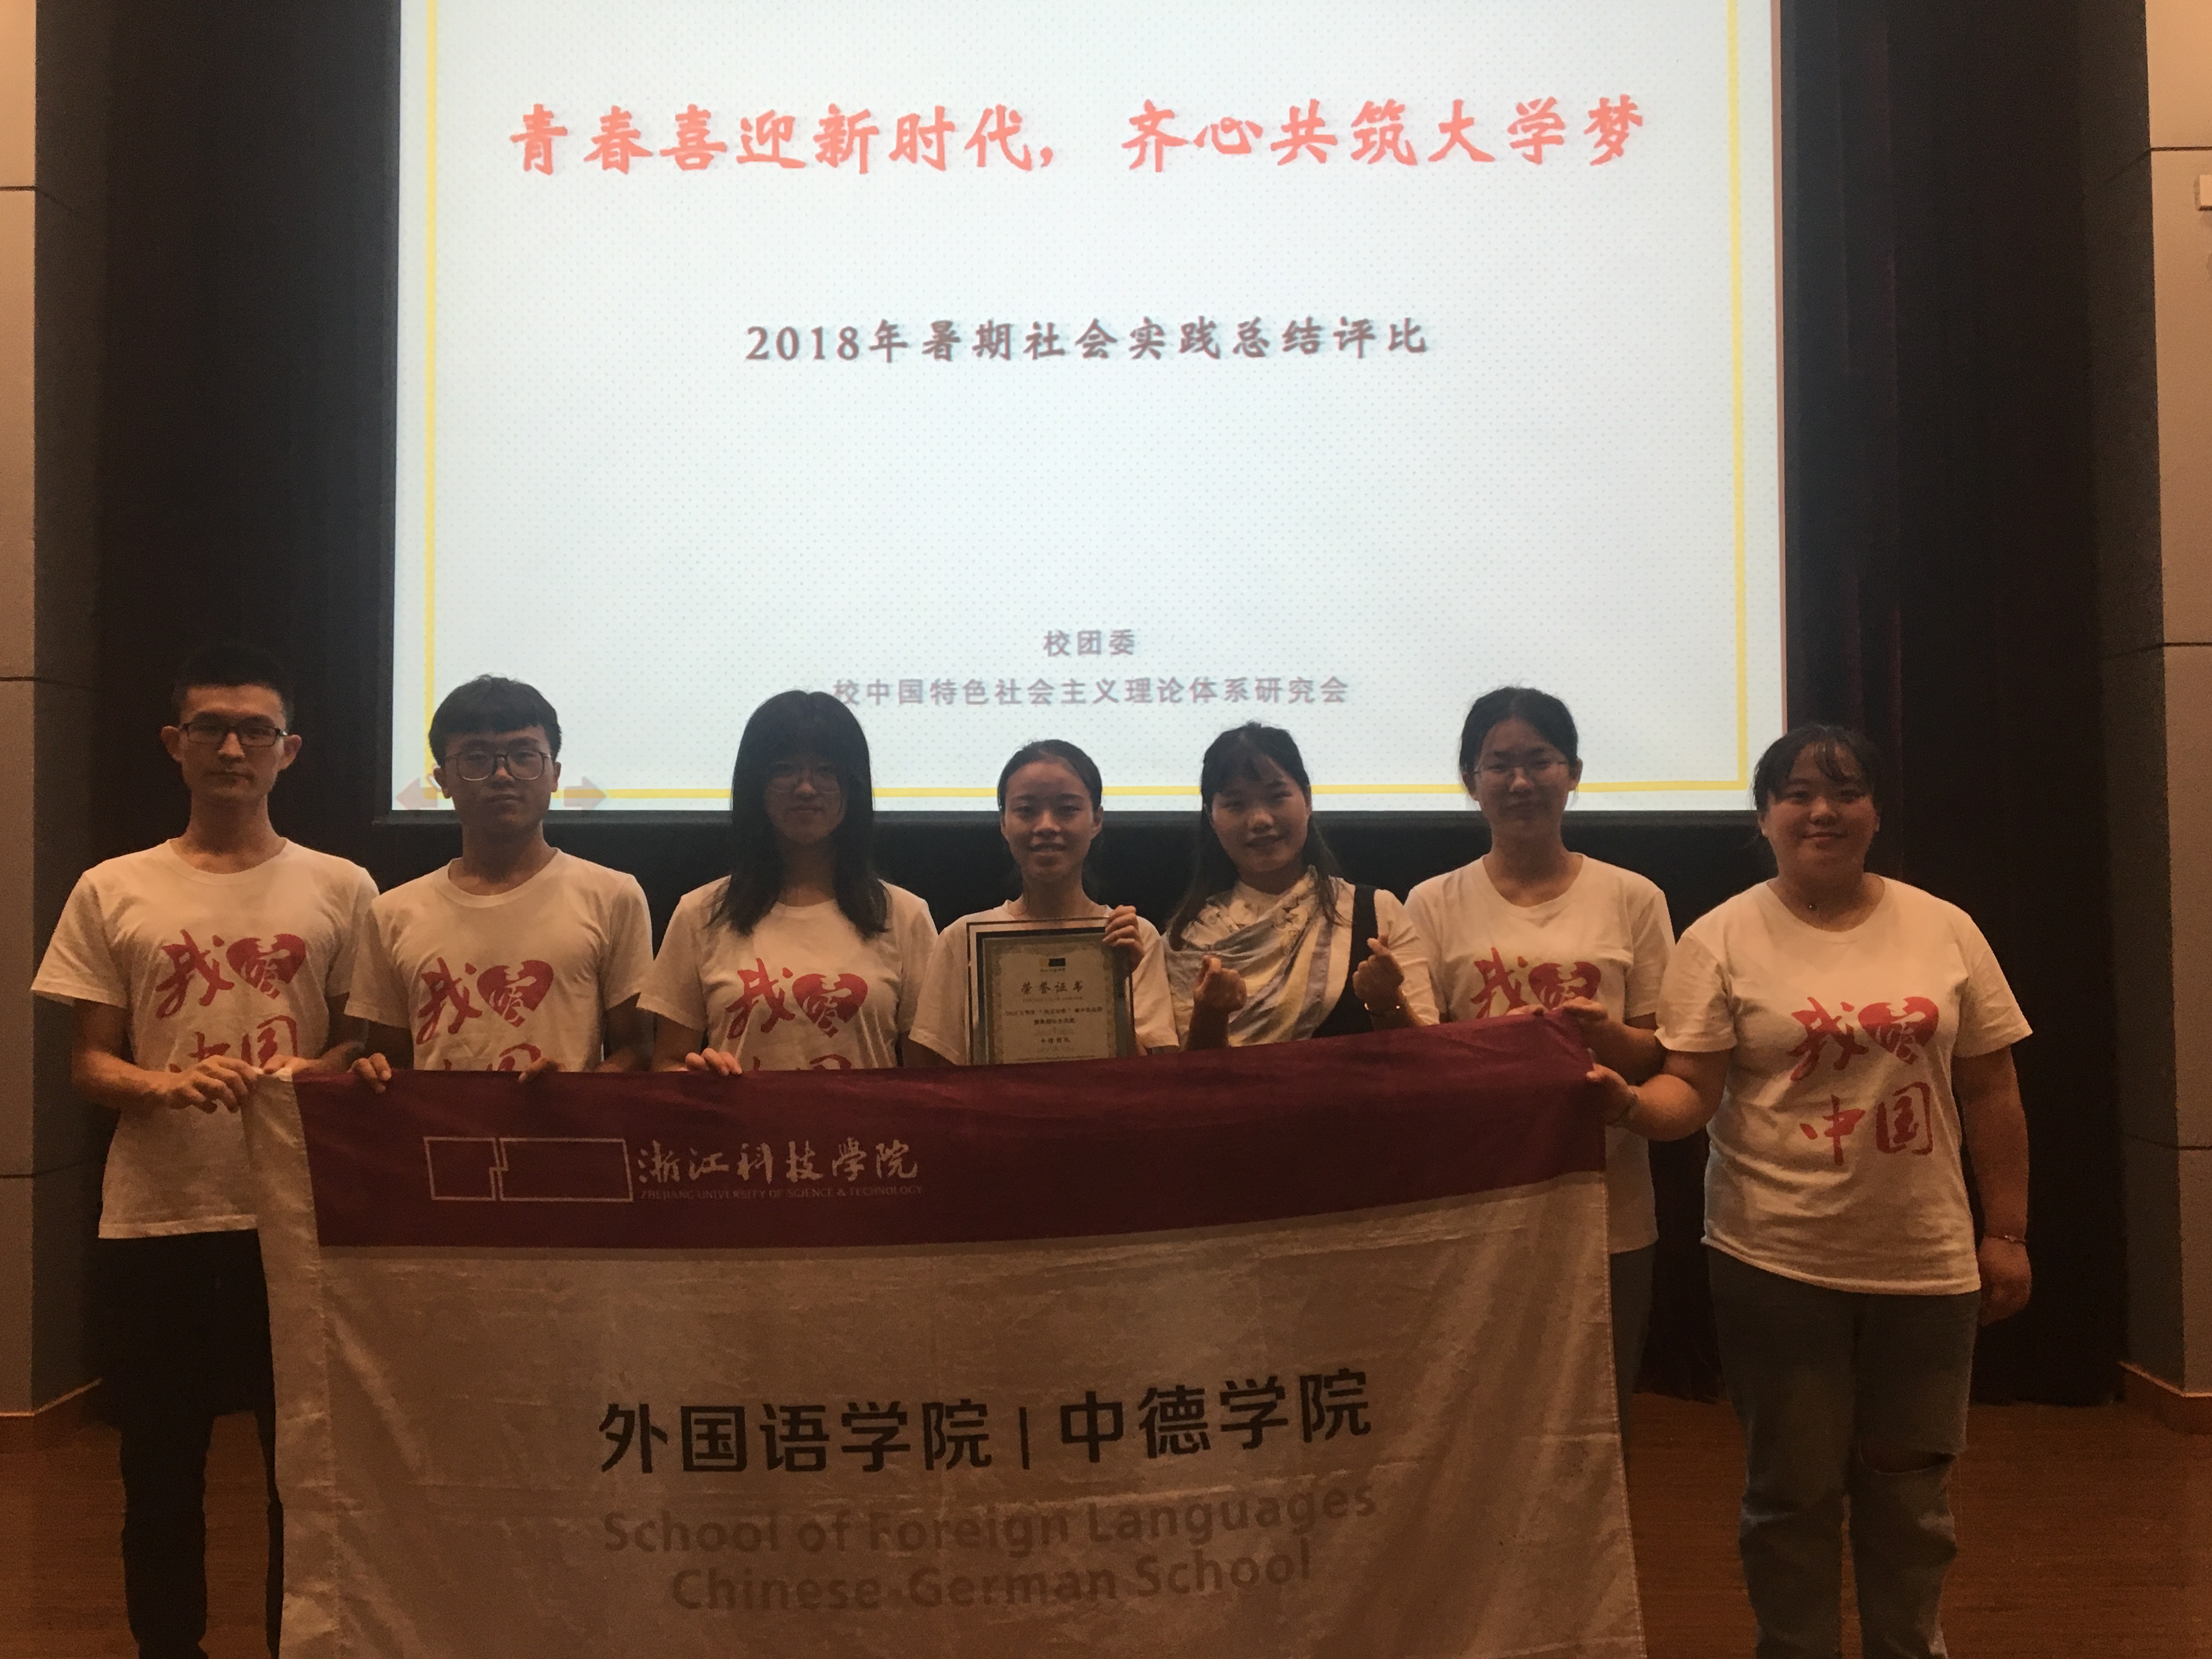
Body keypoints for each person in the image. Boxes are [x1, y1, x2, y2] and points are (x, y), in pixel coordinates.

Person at [1588, 725, 2032, 1659]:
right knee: (1789, 1495)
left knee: (1912, 1497)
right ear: (1764, 817)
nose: (1821, 811)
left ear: (1875, 810)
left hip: (1925, 1261)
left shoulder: (1944, 926)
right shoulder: (1719, 936)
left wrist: (2008, 1232)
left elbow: (1991, 1087)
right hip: (1773, 1259)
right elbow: (1690, 1090)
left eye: (1845, 791)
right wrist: (1627, 1103)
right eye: (1795, 793)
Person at [31, 643, 377, 1659]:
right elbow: (89, 1064)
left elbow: (364, 1045)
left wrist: (313, 1070)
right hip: (157, 1217)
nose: (233, 749)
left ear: (289, 750)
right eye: (212, 729)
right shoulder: (113, 887)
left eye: (255, 730)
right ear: (174, 744)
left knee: (301, 1477)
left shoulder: (343, 885)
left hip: (297, 1221)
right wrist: (165, 1085)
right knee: (159, 1468)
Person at [1404, 687, 1673, 1441]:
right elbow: (1424, 1059)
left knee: (1600, 1419)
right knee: (1483, 1412)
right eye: (1499, 765)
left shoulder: (1634, 898)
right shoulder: (1431, 903)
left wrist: (1603, 1035)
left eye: (1540, 761)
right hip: (1482, 1195)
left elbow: (1660, 1052)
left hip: (1608, 1199)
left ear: (1573, 771)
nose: (1520, 782)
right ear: (1471, 780)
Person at [347, 676, 653, 1088]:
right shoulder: (393, 912)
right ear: (443, 780)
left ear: (555, 773)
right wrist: (371, 1071)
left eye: (524, 755)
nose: (503, 774)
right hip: (441, 1129)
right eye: (477, 758)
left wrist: (578, 1090)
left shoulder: (613, 895)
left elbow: (638, 1050)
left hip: (563, 1128)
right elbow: (389, 1058)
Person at [644, 691, 936, 1072]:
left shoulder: (905, 916)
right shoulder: (700, 913)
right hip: (742, 1116)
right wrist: (695, 1078)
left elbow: (927, 1079)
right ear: (756, 786)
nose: (806, 788)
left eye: (826, 771)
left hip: (865, 1116)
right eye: (784, 769)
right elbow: (667, 1062)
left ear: (853, 786)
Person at [1165, 721, 1436, 1047]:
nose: (1260, 820)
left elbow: (1426, 1054)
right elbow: (1183, 1073)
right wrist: (1210, 1016)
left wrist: (1387, 1003)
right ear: (1211, 818)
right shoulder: (1187, 939)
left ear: (1307, 800)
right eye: (1236, 805)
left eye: (1276, 797)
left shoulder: (1376, 912)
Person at [909, 740, 1180, 1064]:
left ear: (1096, 820)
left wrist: (1114, 988)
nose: (1047, 826)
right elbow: (932, 1072)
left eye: (1067, 809)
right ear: (1004, 823)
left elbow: (1152, 1078)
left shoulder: (1130, 937)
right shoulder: (962, 939)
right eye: (1026, 810)